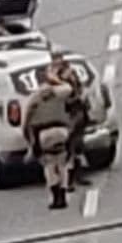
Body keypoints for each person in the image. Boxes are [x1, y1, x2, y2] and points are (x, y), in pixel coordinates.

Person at [23, 80, 73, 209]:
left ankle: (55, 196)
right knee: (62, 164)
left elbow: (27, 124)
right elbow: (69, 89)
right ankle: (63, 195)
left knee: (49, 165)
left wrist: (32, 144)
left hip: (45, 135)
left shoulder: (35, 102)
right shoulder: (60, 97)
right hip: (62, 132)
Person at [48, 51, 91, 190]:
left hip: (77, 111)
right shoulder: (51, 76)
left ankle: (78, 176)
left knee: (77, 146)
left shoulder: (69, 71)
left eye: (59, 58)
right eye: (55, 59)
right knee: (67, 149)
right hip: (64, 115)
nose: (57, 61)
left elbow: (78, 88)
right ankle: (68, 181)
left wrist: (81, 97)